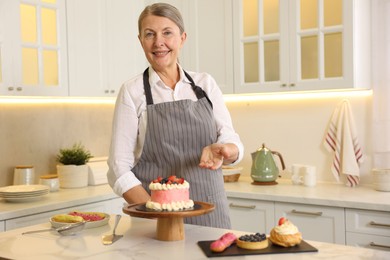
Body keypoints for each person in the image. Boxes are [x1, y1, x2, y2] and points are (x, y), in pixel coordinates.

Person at [107, 2, 243, 229]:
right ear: (140, 40)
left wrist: (227, 149)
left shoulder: (205, 84)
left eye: (167, 33)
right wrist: (156, 211)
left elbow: (231, 139)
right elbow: (118, 168)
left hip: (211, 214)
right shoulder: (132, 92)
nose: (158, 42)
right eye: (149, 34)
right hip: (155, 222)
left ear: (182, 38)